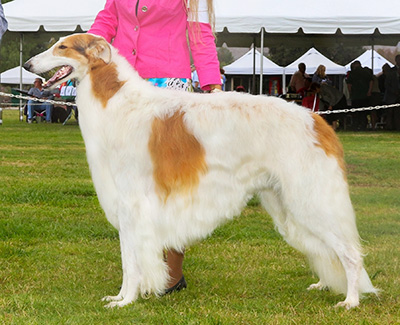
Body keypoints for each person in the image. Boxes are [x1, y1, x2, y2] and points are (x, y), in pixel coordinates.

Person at [88, 0, 222, 294]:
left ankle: (173, 272)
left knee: (170, 182)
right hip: (124, 83)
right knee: (130, 183)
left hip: (168, 85)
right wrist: (87, 49)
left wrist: (211, 83)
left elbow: (200, 35)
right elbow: (107, 20)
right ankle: (138, 269)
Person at [346, 61, 373, 130]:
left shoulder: (352, 73)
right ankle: (363, 126)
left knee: (355, 113)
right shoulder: (365, 72)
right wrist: (369, 91)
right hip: (364, 96)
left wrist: (350, 93)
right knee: (364, 113)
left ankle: (355, 126)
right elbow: (371, 81)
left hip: (356, 96)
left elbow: (349, 84)